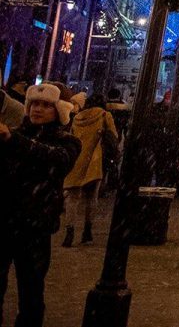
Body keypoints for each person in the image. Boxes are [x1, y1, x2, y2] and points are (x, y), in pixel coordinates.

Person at [0, 82, 80, 327]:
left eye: (47, 105)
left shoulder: (66, 142)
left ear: (60, 110)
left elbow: (53, 159)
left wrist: (12, 140)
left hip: (35, 228)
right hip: (5, 222)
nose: (38, 109)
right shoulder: (15, 135)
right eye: (35, 103)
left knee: (31, 292)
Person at [61, 92, 118, 247]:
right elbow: (114, 136)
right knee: (91, 198)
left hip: (76, 160)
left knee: (72, 198)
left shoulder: (77, 118)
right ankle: (87, 230)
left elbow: (71, 137)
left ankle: (69, 232)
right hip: (95, 161)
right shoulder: (105, 115)